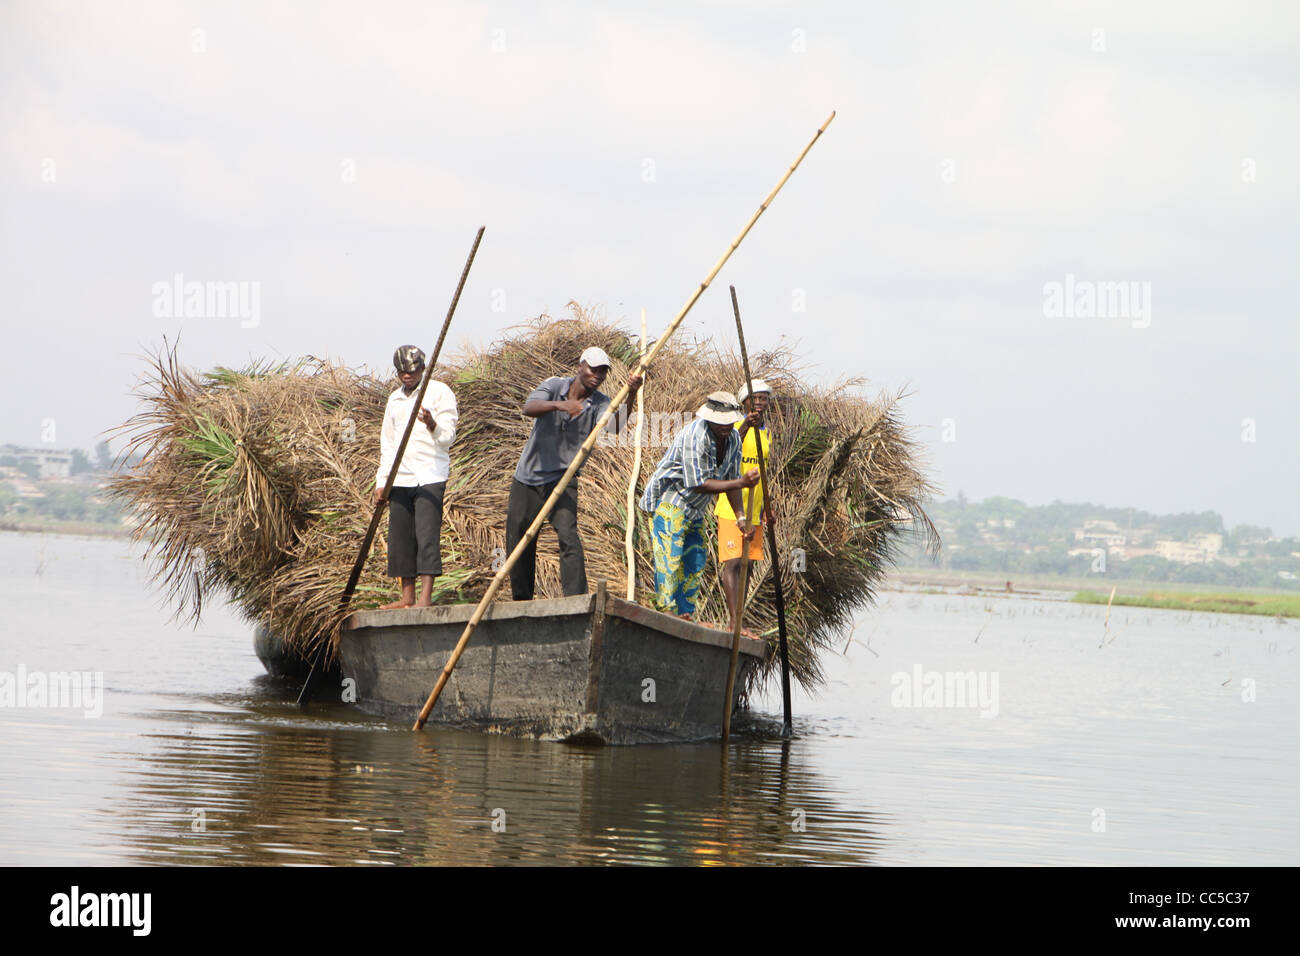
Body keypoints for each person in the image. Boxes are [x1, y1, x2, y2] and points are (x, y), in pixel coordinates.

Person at [507, 346, 643, 600]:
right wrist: (561, 406)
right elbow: (529, 407)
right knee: (520, 540)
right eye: (593, 369)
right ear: (581, 366)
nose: (597, 376)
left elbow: (615, 428)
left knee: (569, 536)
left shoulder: (600, 402)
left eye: (603, 372)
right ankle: (521, 600)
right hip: (528, 477)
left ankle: (576, 599)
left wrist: (631, 395)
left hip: (564, 479)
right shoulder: (555, 385)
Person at [640, 392, 759, 620]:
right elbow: (699, 483)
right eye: (721, 422)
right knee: (670, 561)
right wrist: (741, 482)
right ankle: (666, 612)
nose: (726, 426)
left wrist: (741, 518)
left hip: (695, 510)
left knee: (694, 561)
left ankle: (685, 614)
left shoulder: (733, 439)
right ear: (710, 419)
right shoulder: (695, 435)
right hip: (671, 501)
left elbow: (732, 480)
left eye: (730, 421)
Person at [373, 345, 458, 608]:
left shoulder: (439, 392)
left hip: (430, 475)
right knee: (400, 536)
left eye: (411, 371)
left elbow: (448, 437)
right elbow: (387, 444)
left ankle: (424, 598)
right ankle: (407, 596)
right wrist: (382, 481)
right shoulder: (394, 400)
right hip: (401, 476)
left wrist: (432, 424)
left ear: (422, 368)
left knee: (426, 534)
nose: (407, 376)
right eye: (401, 372)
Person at [716, 379, 773, 635]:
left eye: (764, 399)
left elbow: (765, 471)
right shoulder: (735, 426)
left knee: (747, 566)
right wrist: (745, 427)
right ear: (745, 402)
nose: (759, 403)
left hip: (755, 509)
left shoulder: (767, 433)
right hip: (732, 506)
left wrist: (767, 508)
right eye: (755, 398)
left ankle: (741, 617)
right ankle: (733, 622)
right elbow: (726, 450)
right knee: (733, 563)